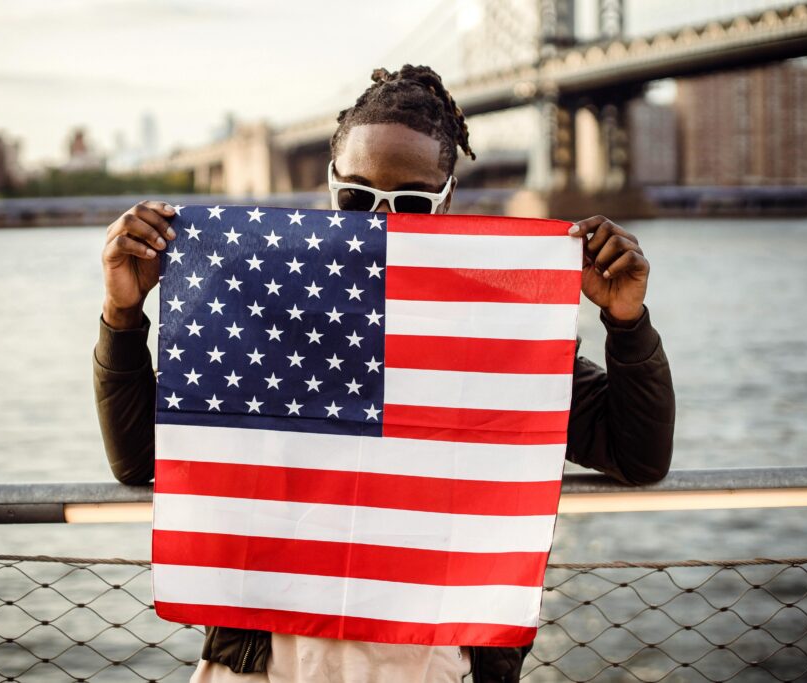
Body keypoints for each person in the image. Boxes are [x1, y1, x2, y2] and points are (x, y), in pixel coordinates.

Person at [93, 65, 675, 683]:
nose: (380, 220)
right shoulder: (256, 312)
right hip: (260, 659)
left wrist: (626, 320)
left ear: (449, 197)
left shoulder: (495, 332)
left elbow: (637, 455)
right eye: (358, 198)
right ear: (329, 187)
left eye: (411, 204)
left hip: (435, 662)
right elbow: (137, 460)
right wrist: (122, 312)